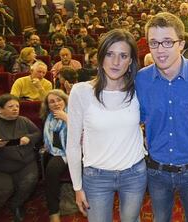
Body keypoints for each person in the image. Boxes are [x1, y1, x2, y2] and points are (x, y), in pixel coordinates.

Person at [135, 12, 188, 222]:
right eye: (154, 43)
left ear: (181, 44)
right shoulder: (141, 79)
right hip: (157, 171)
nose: (160, 50)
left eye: (167, 42)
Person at [66, 29, 147, 222]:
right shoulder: (81, 92)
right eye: (110, 54)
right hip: (96, 177)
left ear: (130, 62)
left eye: (123, 55)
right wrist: (77, 187)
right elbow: (72, 144)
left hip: (134, 174)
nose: (116, 62)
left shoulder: (139, 91)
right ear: (100, 57)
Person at [0, 94, 40, 222]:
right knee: (4, 188)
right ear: (0, 109)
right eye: (11, 106)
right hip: (1, 167)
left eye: (17, 106)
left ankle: (16, 204)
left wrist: (29, 138)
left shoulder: (24, 120)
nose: (15, 109)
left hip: (26, 162)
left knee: (29, 180)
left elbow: (37, 133)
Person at [40, 89, 69, 222]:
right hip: (58, 153)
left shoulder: (76, 113)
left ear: (65, 101)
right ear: (48, 105)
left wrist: (67, 119)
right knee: (51, 170)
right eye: (52, 102)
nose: (56, 104)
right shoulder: (47, 118)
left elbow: (85, 134)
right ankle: (54, 212)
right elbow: (46, 140)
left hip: (77, 150)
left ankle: (85, 204)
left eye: (59, 100)